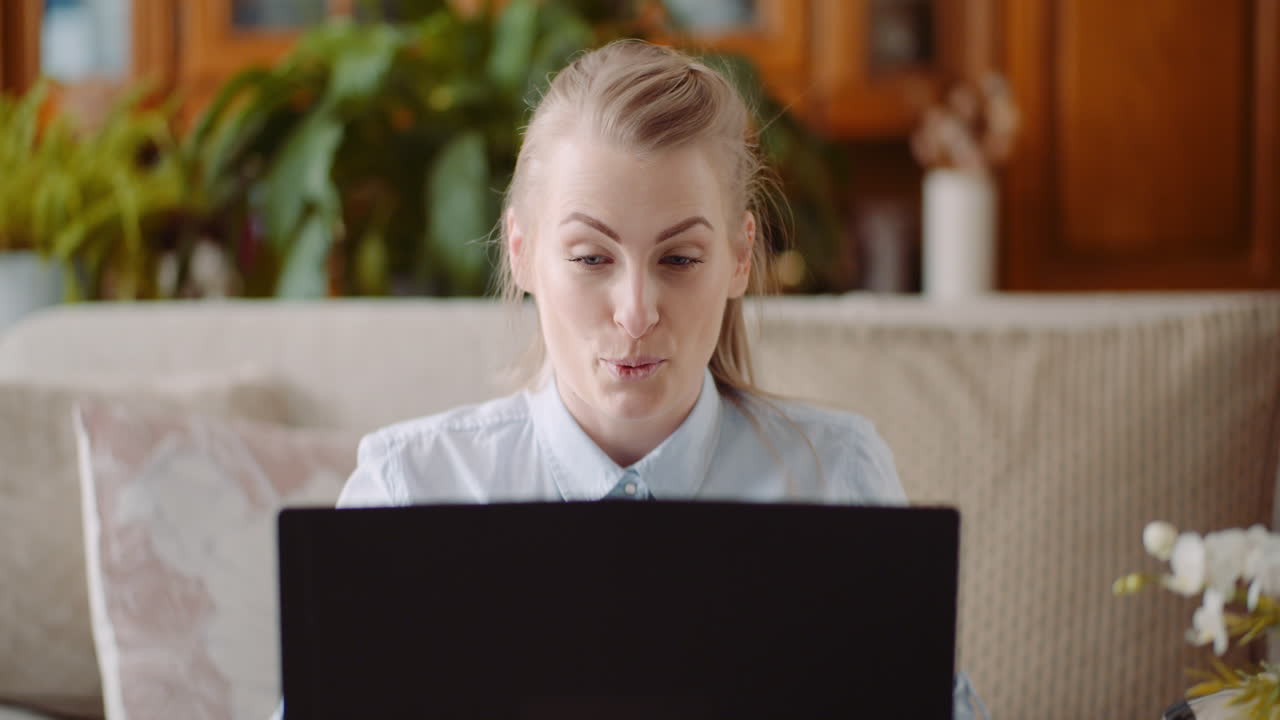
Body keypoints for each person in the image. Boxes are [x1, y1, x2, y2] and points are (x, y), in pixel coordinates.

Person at [270, 39, 985, 720]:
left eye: (679, 260)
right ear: (522, 253)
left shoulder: (836, 480)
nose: (637, 312)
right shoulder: (410, 491)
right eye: (590, 258)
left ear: (740, 257)